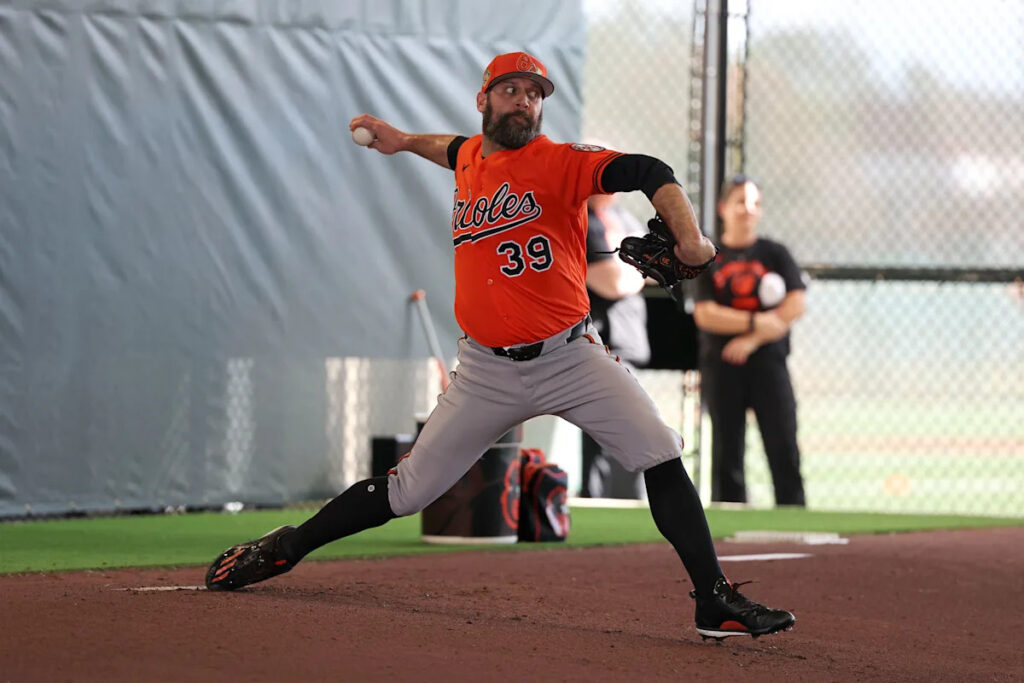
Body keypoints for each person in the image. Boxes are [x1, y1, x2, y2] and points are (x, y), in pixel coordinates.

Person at [205, 52, 795, 641]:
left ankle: (712, 599)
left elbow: (648, 168)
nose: (524, 101)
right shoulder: (469, 158)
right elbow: (453, 148)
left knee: (660, 451)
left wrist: (690, 240)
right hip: (485, 370)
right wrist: (404, 140)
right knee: (408, 491)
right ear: (483, 100)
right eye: (510, 90)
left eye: (535, 93)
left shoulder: (563, 163)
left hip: (570, 357)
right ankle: (286, 546)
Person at [693, 175, 807, 507]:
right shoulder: (708, 256)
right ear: (723, 208)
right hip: (722, 365)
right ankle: (729, 522)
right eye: (741, 202)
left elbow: (795, 305)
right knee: (727, 450)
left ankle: (794, 514)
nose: (748, 210)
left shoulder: (775, 253)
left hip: (769, 363)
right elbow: (706, 313)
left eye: (755, 203)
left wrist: (751, 340)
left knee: (783, 443)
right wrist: (758, 322)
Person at [580, 190, 650, 499]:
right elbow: (613, 282)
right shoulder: (582, 220)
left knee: (628, 427)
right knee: (603, 431)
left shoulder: (625, 219)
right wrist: (637, 271)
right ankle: (598, 499)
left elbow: (659, 264)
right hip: (596, 343)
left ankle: (624, 499)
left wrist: (637, 270)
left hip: (628, 344)